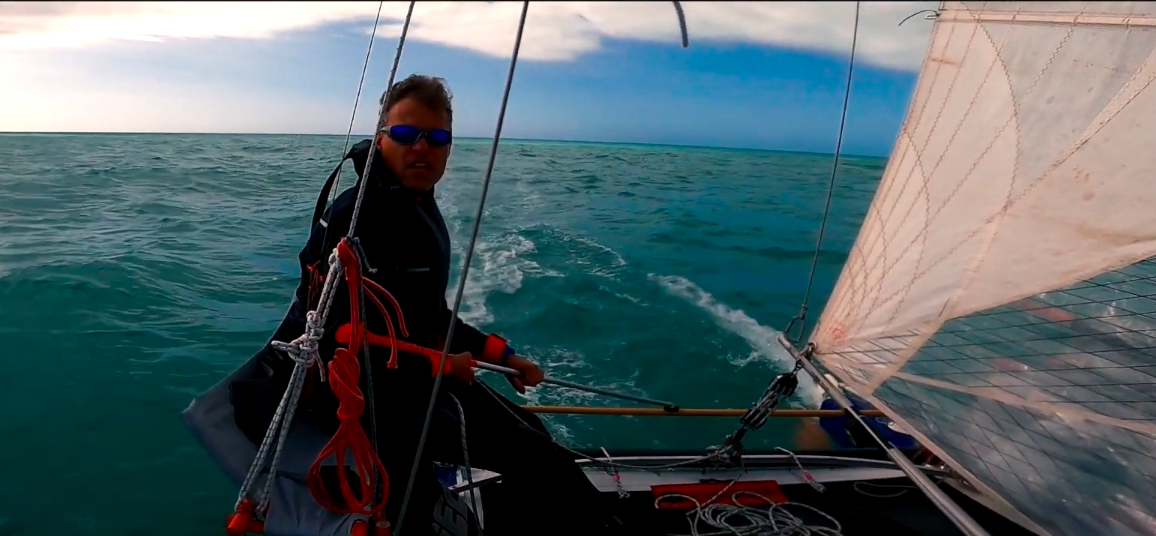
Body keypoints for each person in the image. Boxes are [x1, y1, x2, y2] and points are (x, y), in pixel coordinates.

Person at [235, 74, 613, 536]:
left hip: (416, 377)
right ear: (381, 140)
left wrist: (504, 357)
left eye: (436, 138)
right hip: (371, 400)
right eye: (405, 134)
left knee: (533, 436)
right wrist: (437, 366)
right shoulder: (360, 217)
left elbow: (429, 315)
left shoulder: (415, 206)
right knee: (522, 462)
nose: (422, 147)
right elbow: (340, 342)